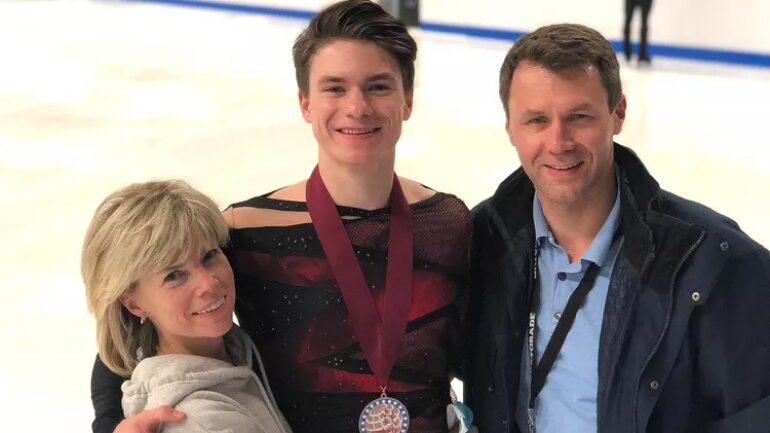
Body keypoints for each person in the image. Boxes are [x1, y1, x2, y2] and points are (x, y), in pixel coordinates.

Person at [89, 2, 472, 433]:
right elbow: (143, 320)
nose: (357, 106)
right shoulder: (248, 229)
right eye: (334, 88)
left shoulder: (447, 222)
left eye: (378, 86)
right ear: (305, 103)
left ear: (407, 100)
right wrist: (109, 425)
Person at [464, 23, 770, 433]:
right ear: (510, 129)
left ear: (618, 113)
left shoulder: (711, 260)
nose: (559, 141)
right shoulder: (483, 242)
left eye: (579, 116)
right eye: (537, 119)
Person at [82, 180, 292, 433]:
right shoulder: (198, 422)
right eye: (174, 275)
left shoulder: (233, 349)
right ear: (134, 304)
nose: (208, 283)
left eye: (209, 256)